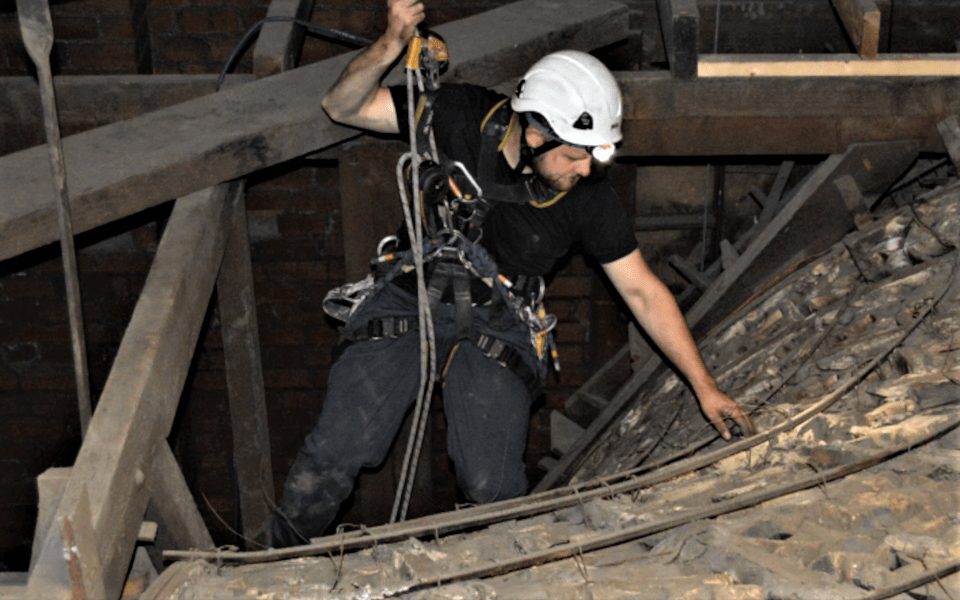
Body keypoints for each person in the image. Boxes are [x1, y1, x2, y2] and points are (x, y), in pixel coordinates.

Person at [270, 0, 754, 547]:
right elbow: (342, 105)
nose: (585, 169)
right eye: (574, 156)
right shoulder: (458, 116)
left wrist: (705, 387)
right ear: (533, 135)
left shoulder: (590, 199)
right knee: (335, 451)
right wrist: (391, 41)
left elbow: (642, 291)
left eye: (594, 157)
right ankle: (271, 562)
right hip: (410, 291)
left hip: (501, 318)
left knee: (492, 482)